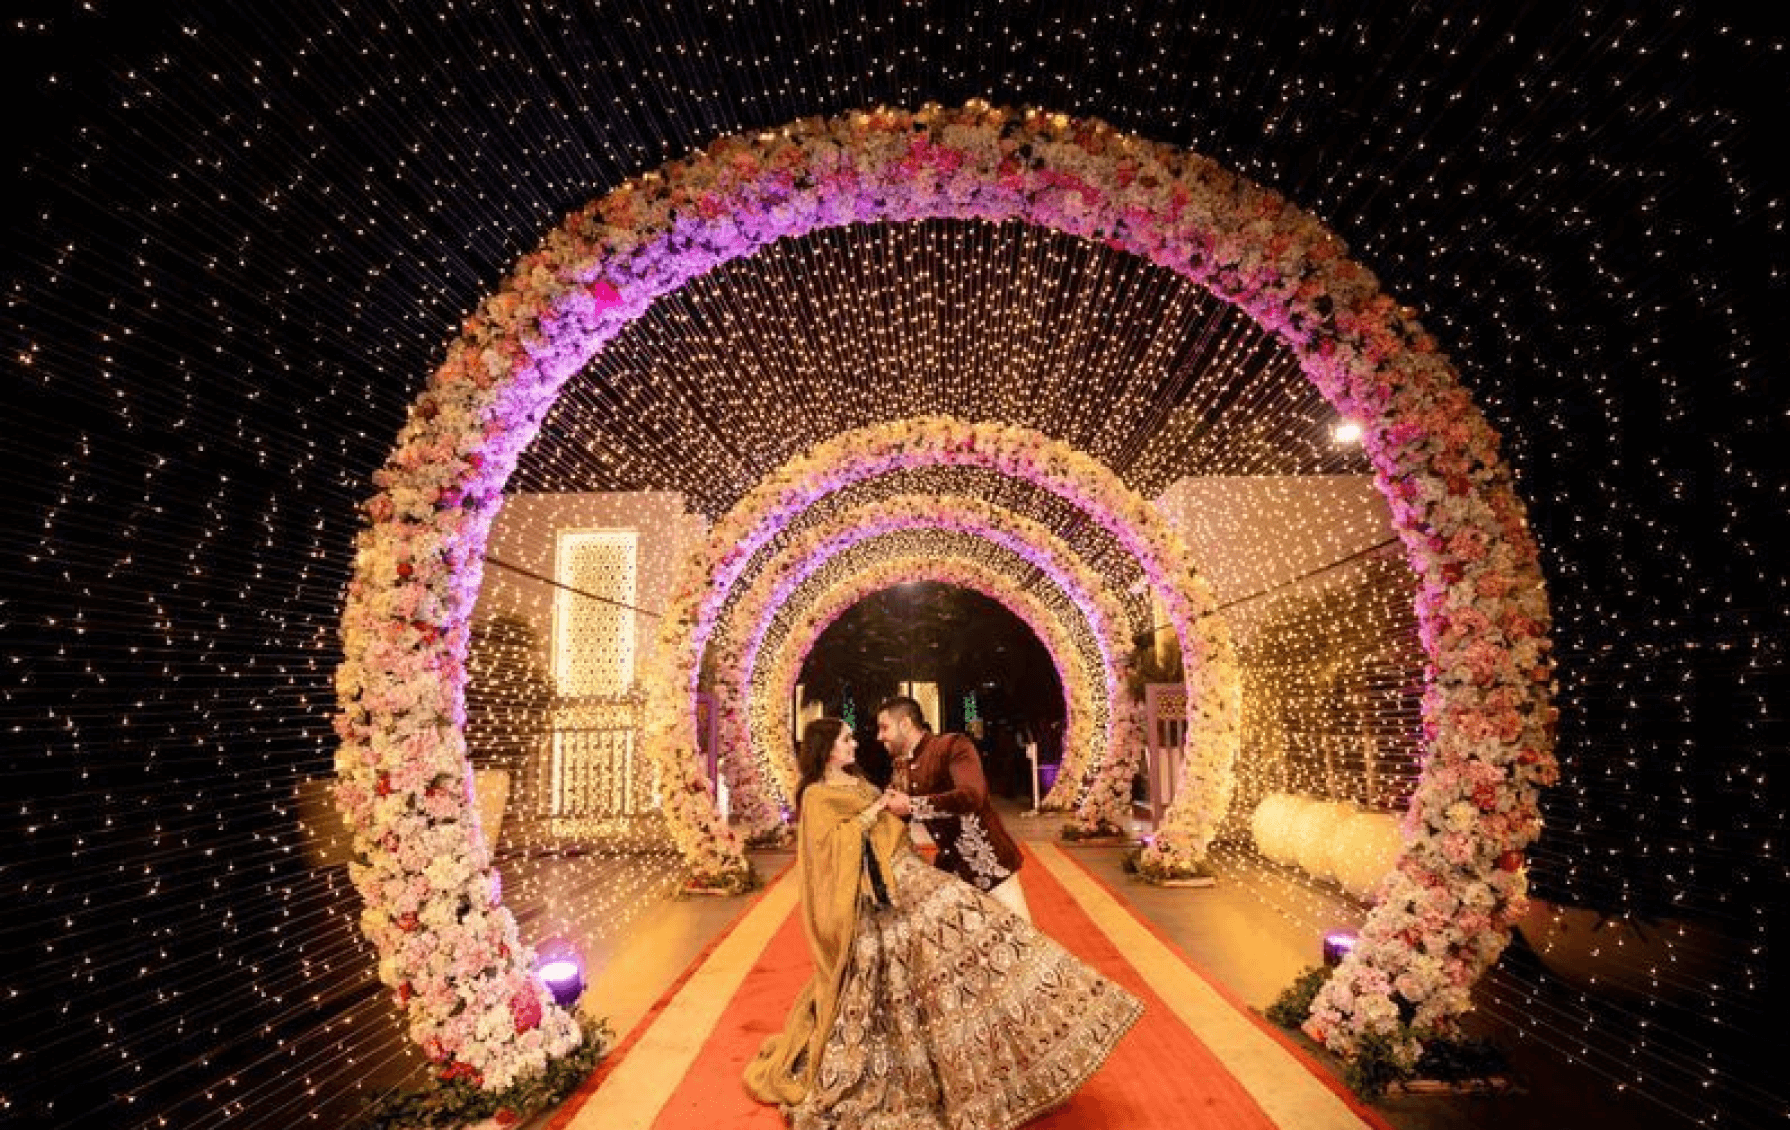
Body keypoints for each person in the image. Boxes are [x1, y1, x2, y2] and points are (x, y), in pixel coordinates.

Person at [744, 717, 1143, 1129]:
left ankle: (1032, 1045)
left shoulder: (927, 756)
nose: (860, 742)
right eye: (848, 738)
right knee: (931, 962)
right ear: (827, 747)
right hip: (877, 894)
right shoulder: (816, 795)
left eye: (876, 730)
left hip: (930, 871)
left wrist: (891, 810)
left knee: (990, 942)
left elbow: (960, 798)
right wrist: (879, 811)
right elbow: (829, 848)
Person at [876, 695, 1032, 922]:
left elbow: (972, 796)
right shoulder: (902, 767)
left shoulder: (953, 746)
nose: (879, 736)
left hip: (990, 868)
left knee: (1023, 944)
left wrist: (911, 805)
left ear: (905, 724)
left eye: (884, 727)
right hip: (952, 874)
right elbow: (893, 814)